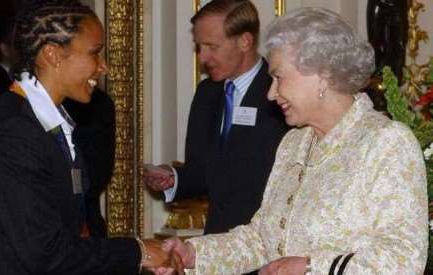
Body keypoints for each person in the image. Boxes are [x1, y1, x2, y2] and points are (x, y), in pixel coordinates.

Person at [157, 7, 429, 275]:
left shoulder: (386, 142)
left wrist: (311, 266)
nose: (271, 93)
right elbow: (262, 240)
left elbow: (404, 259)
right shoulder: (293, 144)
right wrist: (194, 254)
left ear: (321, 74)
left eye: (278, 77)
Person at [0, 1, 178, 274]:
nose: (104, 67)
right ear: (52, 54)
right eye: (95, 54)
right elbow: (45, 253)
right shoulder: (14, 132)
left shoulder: (45, 120)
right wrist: (139, 251)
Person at [144, 0, 288, 236]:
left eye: (212, 47)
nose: (202, 58)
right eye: (199, 47)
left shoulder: (280, 91)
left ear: (245, 41)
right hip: (218, 243)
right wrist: (174, 179)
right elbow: (203, 172)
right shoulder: (206, 94)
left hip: (269, 245)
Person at [63, 87, 115, 238]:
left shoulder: (98, 103)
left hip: (83, 227)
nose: (101, 68)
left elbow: (95, 175)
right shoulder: (21, 103)